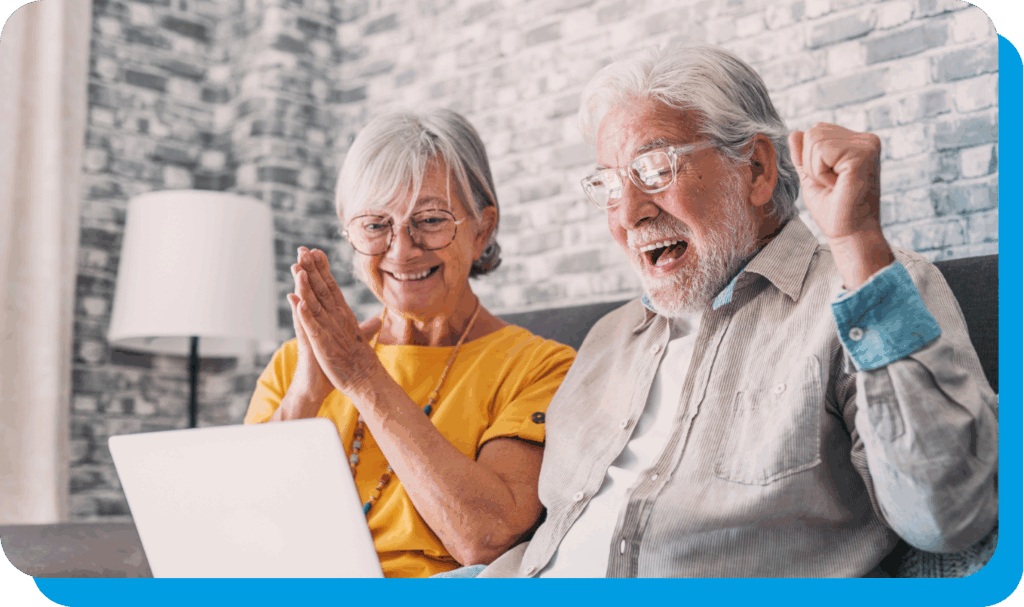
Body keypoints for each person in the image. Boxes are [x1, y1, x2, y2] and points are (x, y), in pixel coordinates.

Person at [474, 44, 998, 578]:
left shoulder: (865, 290)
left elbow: (949, 514)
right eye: (609, 184)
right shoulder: (609, 337)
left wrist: (858, 240)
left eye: (654, 169)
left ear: (756, 169)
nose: (629, 214)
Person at [244, 109, 576, 578]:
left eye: (431, 219)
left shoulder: (541, 367)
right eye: (375, 225)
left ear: (483, 230)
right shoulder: (296, 364)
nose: (401, 250)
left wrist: (361, 377)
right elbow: (240, 528)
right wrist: (306, 393)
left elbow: (484, 536)